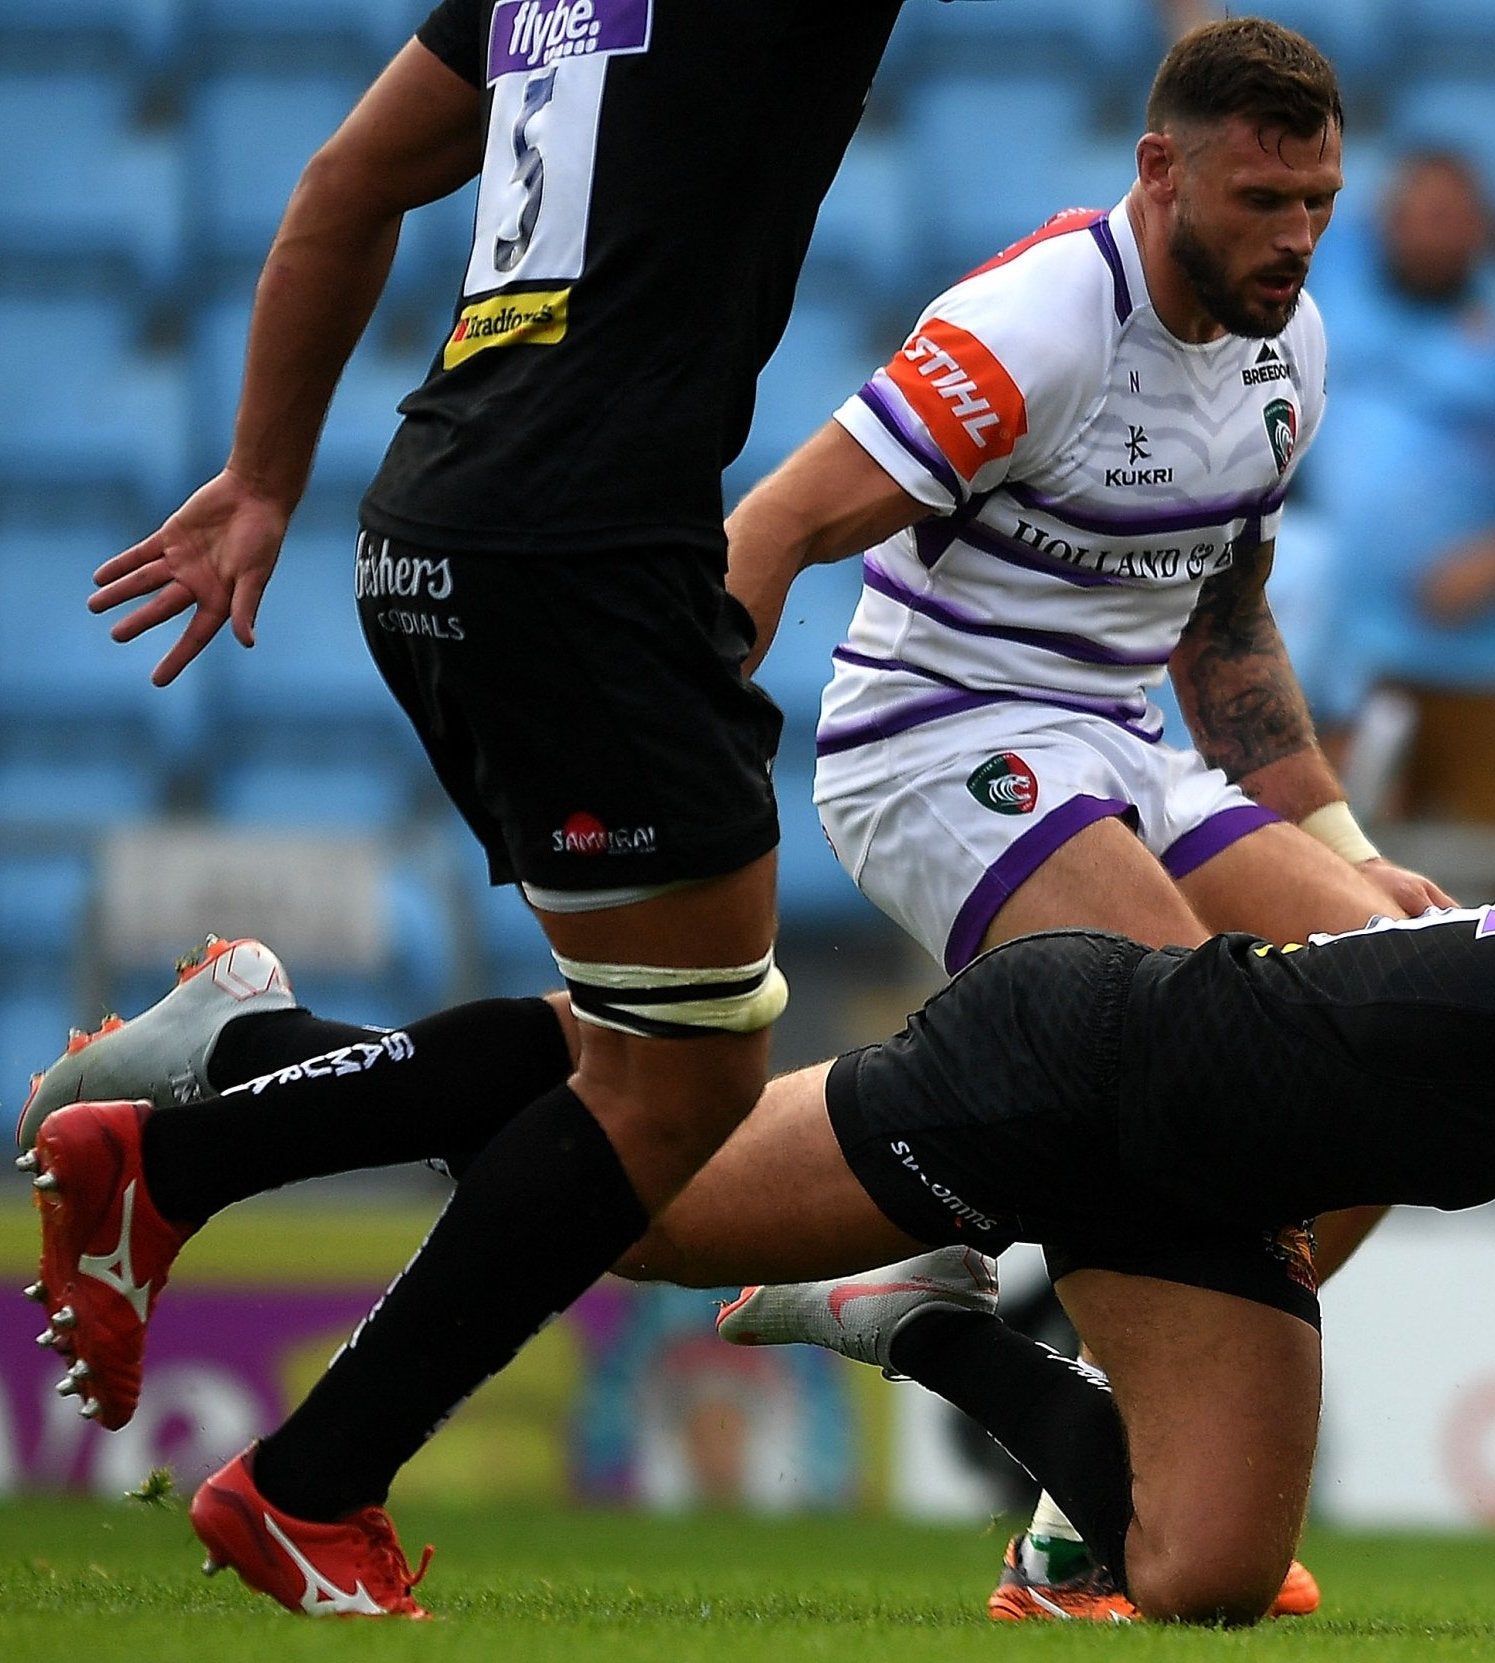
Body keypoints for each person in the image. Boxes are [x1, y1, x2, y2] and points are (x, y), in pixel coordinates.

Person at [24, 744, 1495, 1623]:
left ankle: (916, 1315)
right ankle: (242, 1066)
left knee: (1199, 1578)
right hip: (1084, 1074)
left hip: (1202, 1175)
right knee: (641, 1199)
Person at [24, 0, 907, 1618]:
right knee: (682, 1077)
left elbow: (344, 178)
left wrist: (266, 475)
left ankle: (203, 1118)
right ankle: (304, 1471)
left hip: (430, 526)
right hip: (583, 550)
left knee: (633, 1050)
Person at [720, 17, 1446, 1616]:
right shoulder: (1038, 322)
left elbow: (1223, 626)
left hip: (1121, 746)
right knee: (1197, 1044)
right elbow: (768, 531)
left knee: (1405, 1023)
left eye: (1318, 199)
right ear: (1158, 166)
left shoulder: (1288, 348)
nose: (1295, 237)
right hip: (935, 740)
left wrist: (1335, 848)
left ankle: (1076, 1475)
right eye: (1262, 199)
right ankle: (937, 1268)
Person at [1301, 150, 1495, 825]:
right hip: (1360, 657)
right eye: (1413, 215)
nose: (1429, 232)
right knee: (1348, 880)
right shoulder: (1334, 287)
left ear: (1486, 230)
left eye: (1450, 217)